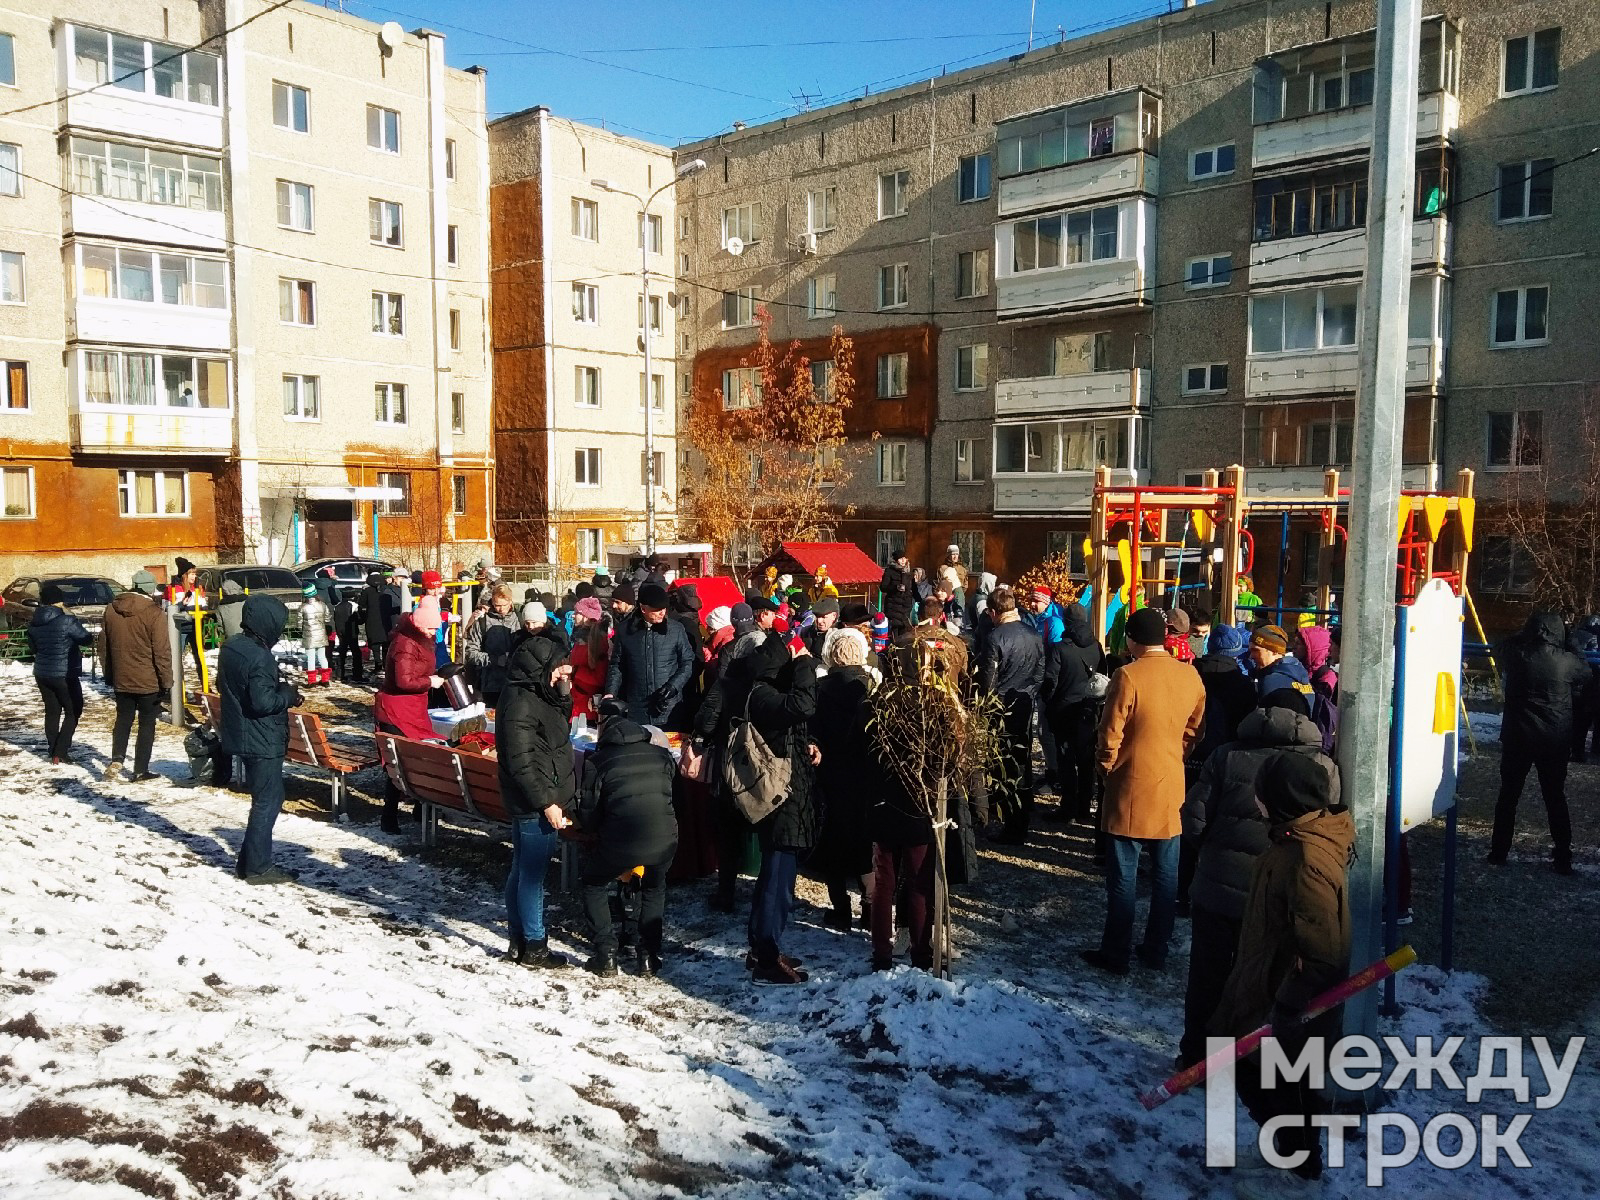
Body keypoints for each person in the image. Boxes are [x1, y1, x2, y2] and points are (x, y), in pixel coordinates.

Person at [1209, 752, 1356, 1192]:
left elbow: (1324, 950)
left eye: (1261, 793)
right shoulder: (1290, 842)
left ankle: (1297, 1172)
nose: (1255, 801)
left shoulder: (1306, 857)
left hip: (1287, 1000)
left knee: (1278, 1086)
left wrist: (1291, 1003)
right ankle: (1287, 1150)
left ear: (1282, 799)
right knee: (1257, 1074)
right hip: (1264, 983)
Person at [1178, 689, 1337, 1068]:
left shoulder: (1227, 754)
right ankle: (1253, 1062)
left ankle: (1197, 1058)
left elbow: (1193, 820)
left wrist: (1212, 852)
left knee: (1207, 977)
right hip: (1279, 894)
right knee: (1267, 980)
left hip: (1218, 887)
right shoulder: (1322, 766)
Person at [1083, 606, 1206, 975]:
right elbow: (1195, 729)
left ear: (1133, 639)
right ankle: (1156, 950)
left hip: (1129, 785)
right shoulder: (1190, 676)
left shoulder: (1127, 675)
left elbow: (1110, 732)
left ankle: (1116, 952)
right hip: (1171, 784)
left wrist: (1107, 768)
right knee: (1166, 876)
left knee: (1124, 878)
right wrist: (1176, 755)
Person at [574, 699, 678, 976]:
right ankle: (649, 955)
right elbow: (670, 796)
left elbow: (589, 816)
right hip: (664, 837)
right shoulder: (661, 755)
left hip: (621, 841)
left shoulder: (598, 761)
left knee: (593, 882)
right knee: (654, 886)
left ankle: (606, 953)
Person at [742, 633, 820, 985]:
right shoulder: (762, 695)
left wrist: (812, 743)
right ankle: (767, 958)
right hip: (779, 799)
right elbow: (803, 705)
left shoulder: (769, 692)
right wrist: (804, 661)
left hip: (787, 793)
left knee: (777, 877)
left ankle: (762, 948)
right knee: (777, 880)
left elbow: (796, 722)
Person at [497, 631, 576, 967]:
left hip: (536, 795)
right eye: (559, 670)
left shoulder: (534, 692)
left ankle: (518, 940)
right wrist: (548, 803)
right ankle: (534, 944)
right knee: (532, 874)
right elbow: (522, 762)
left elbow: (557, 726)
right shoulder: (520, 703)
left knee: (521, 870)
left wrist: (562, 692)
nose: (564, 674)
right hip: (535, 801)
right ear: (540, 667)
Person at [1489, 612, 1587, 875]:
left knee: (1508, 795)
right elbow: (1586, 671)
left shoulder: (1518, 656)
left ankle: (1498, 852)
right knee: (1555, 797)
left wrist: (1524, 635)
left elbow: (1499, 647)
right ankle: (1563, 857)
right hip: (1554, 739)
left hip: (1517, 737)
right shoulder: (1565, 662)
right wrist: (1571, 641)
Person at [219, 594, 301, 884]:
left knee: (267, 797)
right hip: (261, 738)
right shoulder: (259, 656)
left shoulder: (232, 646)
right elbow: (263, 702)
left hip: (240, 732)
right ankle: (258, 868)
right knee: (267, 800)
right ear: (267, 624)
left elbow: (240, 688)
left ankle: (248, 863)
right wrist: (288, 695)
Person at [810, 629, 877, 932]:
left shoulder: (820, 689)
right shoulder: (871, 688)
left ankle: (840, 911)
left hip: (830, 773)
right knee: (865, 842)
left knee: (833, 844)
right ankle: (871, 906)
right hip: (864, 773)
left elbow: (813, 730)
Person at [373, 596, 445, 833]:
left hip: (412, 707)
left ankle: (418, 809)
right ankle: (390, 816)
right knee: (401, 762)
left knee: (417, 757)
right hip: (397, 709)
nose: (434, 632)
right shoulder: (405, 644)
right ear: (419, 624)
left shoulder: (417, 639)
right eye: (431, 627)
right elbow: (403, 680)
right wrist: (430, 681)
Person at [979, 587, 1045, 845]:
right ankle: (1023, 808)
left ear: (994, 612)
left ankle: (1010, 820)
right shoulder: (1034, 634)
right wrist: (1030, 692)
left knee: (1003, 762)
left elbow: (988, 680)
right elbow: (1040, 670)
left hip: (1003, 704)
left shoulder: (995, 637)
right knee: (1023, 757)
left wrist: (988, 703)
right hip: (1025, 701)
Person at [99, 572, 173, 784]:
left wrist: (109, 673)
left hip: (122, 678)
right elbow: (161, 651)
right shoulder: (154, 613)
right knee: (146, 724)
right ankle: (140, 770)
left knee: (123, 720)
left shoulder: (111, 609)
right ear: (150, 589)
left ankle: (117, 758)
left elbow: (103, 646)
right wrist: (166, 681)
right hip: (148, 680)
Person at [1041, 601, 1106, 823]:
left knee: (1067, 761)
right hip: (1089, 710)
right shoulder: (1096, 646)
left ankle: (1068, 808)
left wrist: (1049, 704)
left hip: (1064, 710)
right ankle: (1085, 809)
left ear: (1066, 622)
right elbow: (1103, 676)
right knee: (1087, 761)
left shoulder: (1060, 648)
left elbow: (1050, 681)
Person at [605, 582, 695, 730]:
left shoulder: (676, 629)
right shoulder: (625, 630)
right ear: (643, 608)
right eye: (657, 610)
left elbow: (687, 661)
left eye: (664, 609)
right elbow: (617, 665)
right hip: (637, 707)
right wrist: (610, 692)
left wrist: (673, 686)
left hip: (668, 706)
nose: (662, 613)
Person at [27, 582, 95, 764]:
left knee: (52, 711)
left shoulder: (34, 622)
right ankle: (61, 751)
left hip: (42, 672)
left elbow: (33, 648)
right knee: (73, 710)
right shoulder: (66, 621)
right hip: (65, 673)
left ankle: (52, 749)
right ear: (59, 601)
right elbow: (86, 639)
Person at [463, 583, 521, 708]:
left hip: (515, 683)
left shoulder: (520, 620)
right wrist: (494, 660)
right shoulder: (483, 622)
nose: (500, 609)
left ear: (510, 601)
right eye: (496, 605)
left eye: (503, 605)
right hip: (489, 684)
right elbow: (470, 652)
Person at [569, 613, 612, 724]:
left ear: (586, 616)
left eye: (577, 612)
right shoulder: (579, 640)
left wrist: (574, 672)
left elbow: (600, 677)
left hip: (588, 705)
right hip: (575, 701)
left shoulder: (599, 643)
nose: (573, 616)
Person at [168, 558, 207, 674]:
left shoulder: (198, 588)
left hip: (195, 626)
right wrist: (182, 604)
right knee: (177, 656)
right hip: (181, 628)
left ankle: (204, 682)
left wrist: (203, 609)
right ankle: (176, 685)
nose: (193, 577)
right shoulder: (173, 589)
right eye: (191, 574)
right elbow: (168, 609)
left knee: (199, 655)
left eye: (195, 574)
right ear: (184, 575)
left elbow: (203, 605)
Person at [1247, 625, 1310, 699]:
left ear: (1275, 651)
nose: (1251, 656)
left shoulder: (1271, 683)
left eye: (1256, 650)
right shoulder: (1303, 679)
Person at [358, 571, 397, 681]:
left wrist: (362, 617)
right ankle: (385, 664)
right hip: (385, 620)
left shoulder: (366, 591)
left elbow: (362, 606)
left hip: (372, 620)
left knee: (374, 644)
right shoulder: (387, 590)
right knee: (386, 643)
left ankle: (377, 664)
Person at [298, 582, 332, 686]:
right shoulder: (322, 605)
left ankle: (312, 680)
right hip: (321, 634)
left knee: (311, 658)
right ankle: (325, 679)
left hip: (309, 636)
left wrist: (301, 630)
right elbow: (327, 618)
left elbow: (299, 623)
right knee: (322, 656)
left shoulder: (302, 607)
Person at [880, 551, 915, 636]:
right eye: (900, 558)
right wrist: (895, 588)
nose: (903, 560)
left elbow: (912, 589)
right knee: (894, 633)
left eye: (904, 558)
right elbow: (883, 587)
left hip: (905, 607)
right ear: (896, 560)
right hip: (893, 606)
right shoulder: (889, 571)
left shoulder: (909, 573)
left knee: (905, 633)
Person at [332, 585, 362, 683]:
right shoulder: (354, 606)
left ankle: (340, 674)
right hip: (352, 632)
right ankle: (357, 674)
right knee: (356, 653)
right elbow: (359, 619)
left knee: (342, 653)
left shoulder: (337, 606)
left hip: (340, 632)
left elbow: (335, 619)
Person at [938, 543, 969, 611]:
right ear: (948, 555)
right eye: (953, 554)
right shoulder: (942, 568)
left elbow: (965, 585)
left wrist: (958, 593)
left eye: (956, 554)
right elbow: (937, 584)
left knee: (959, 618)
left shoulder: (962, 569)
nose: (955, 556)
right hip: (945, 599)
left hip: (958, 599)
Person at [216, 578, 248, 643]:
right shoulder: (247, 602)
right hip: (247, 637)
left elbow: (220, 627)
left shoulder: (220, 607)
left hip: (231, 639)